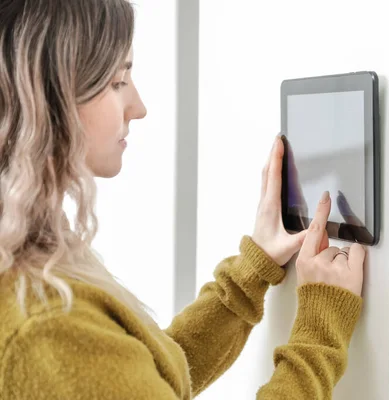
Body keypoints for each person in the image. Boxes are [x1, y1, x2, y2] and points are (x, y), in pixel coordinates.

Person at [0, 1, 366, 399]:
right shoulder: (45, 328)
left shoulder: (28, 260)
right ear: (45, 97)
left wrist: (253, 269)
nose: (139, 108)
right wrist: (320, 330)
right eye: (118, 81)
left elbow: (144, 380)